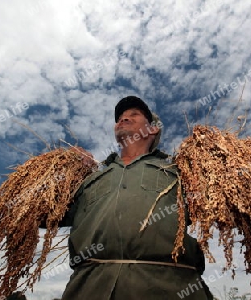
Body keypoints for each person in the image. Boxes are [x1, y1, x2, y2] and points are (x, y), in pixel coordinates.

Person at [42, 96, 213, 300]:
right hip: (89, 289)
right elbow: (43, 215)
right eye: (120, 117)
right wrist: (65, 171)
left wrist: (208, 156)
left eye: (134, 114)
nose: (123, 118)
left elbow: (225, 206)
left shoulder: (179, 172)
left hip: (171, 287)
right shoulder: (91, 179)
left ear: (152, 129)